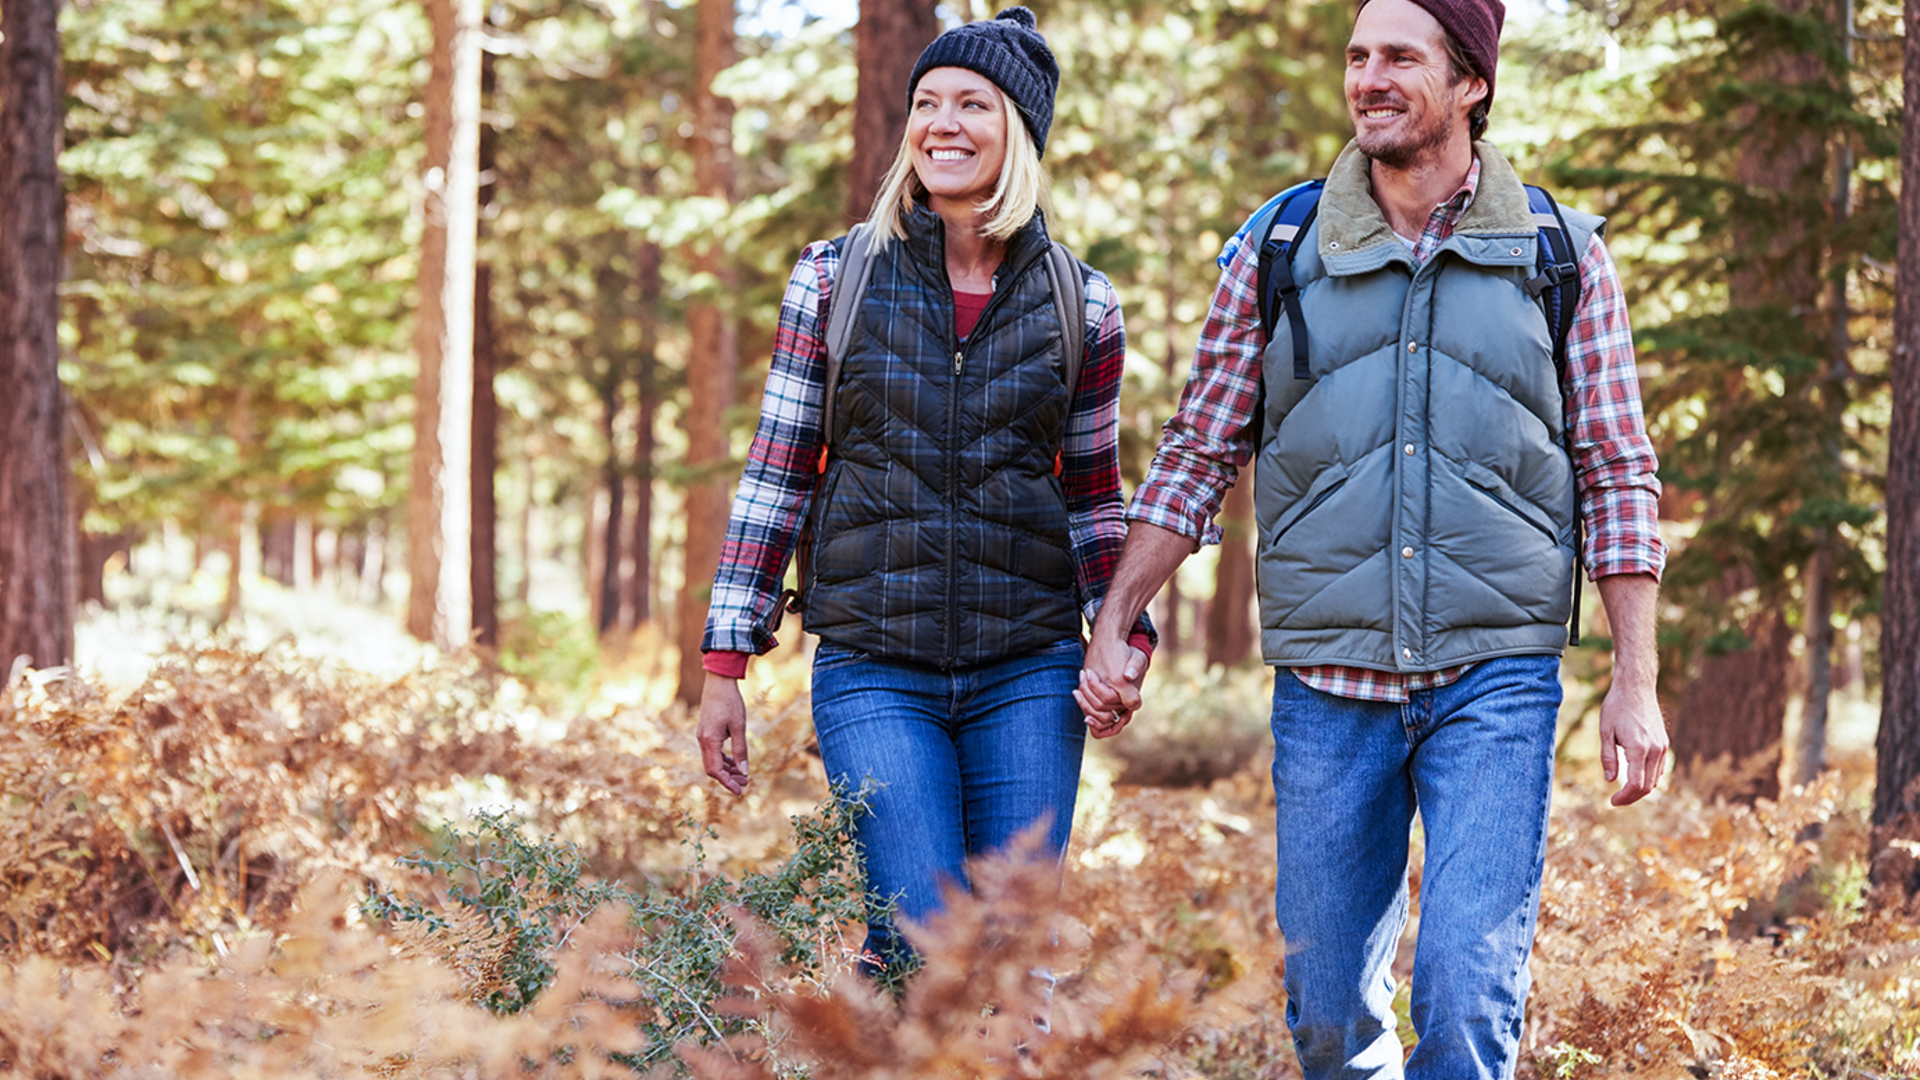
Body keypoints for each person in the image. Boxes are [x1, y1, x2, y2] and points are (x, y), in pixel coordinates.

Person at [1074, 0, 1669, 1073]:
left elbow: (1616, 470)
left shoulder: (1558, 252)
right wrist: (1121, 612)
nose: (1369, 77)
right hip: (1328, 681)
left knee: (1465, 994)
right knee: (1328, 1013)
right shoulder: (1280, 243)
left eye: (1401, 55)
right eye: (1357, 56)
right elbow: (1201, 447)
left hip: (1497, 677)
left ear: (1472, 83)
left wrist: (1637, 677)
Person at [696, 7, 1153, 977]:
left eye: (972, 104)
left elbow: (1094, 501)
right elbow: (777, 468)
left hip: (1028, 671)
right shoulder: (835, 278)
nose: (941, 122)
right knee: (915, 946)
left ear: (1019, 133)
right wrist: (725, 663)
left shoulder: (1085, 302)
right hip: (874, 668)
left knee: (1008, 950)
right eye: (927, 102)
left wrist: (1123, 634)